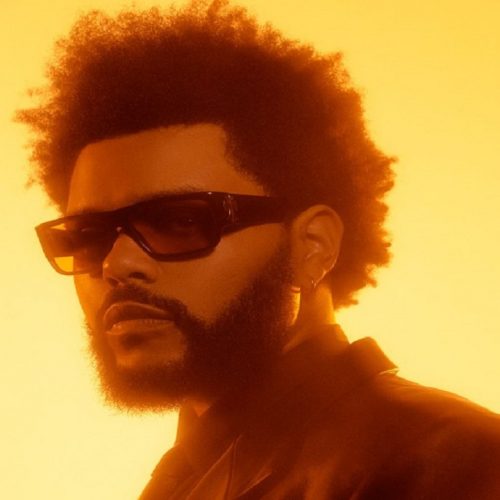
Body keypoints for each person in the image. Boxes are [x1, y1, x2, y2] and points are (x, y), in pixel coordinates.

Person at [19, 1, 500, 498]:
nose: (116, 264)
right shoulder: (182, 479)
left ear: (312, 246)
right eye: (88, 236)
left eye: (181, 222)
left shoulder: (450, 459)